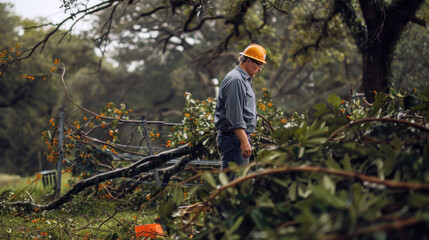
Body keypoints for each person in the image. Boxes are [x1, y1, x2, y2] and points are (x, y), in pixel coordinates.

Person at [214, 43, 267, 171]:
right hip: (234, 140)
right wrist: (244, 141)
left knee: (238, 184)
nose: (260, 69)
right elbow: (234, 115)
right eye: (258, 64)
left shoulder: (243, 80)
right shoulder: (236, 80)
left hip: (237, 139)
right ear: (248, 60)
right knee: (234, 185)